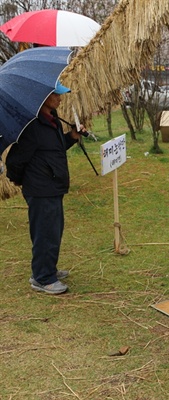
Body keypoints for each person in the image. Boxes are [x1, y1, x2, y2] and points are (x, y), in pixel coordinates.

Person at [6, 81, 84, 295]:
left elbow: (54, 150)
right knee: (44, 233)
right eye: (56, 95)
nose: (60, 99)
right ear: (43, 97)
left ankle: (47, 269)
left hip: (53, 185)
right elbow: (15, 161)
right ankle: (42, 278)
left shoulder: (53, 120)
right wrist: (21, 180)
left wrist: (72, 137)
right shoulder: (31, 127)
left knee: (53, 231)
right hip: (40, 189)